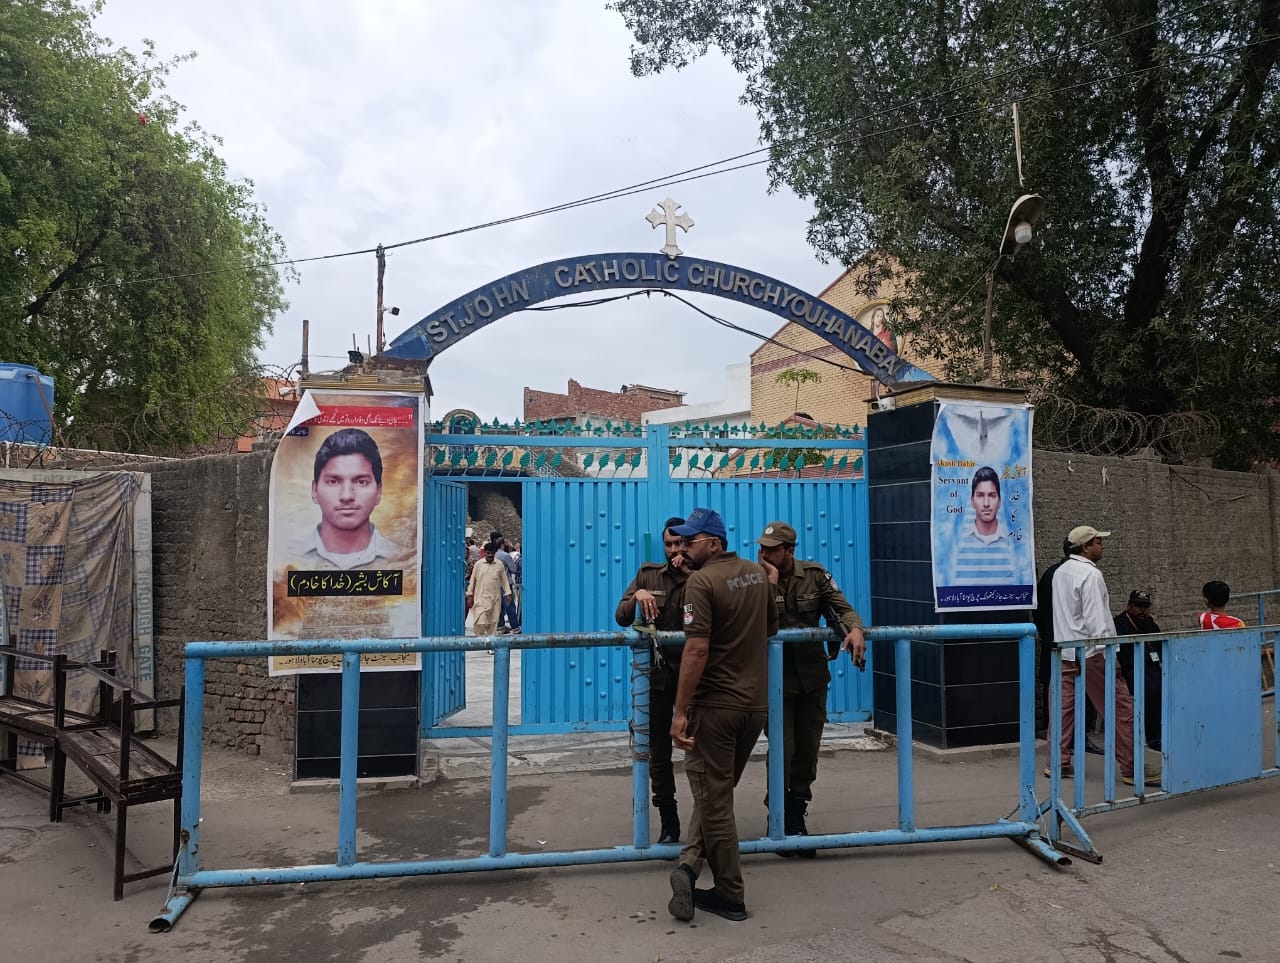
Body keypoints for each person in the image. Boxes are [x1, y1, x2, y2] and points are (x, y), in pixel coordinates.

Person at [666, 507, 777, 924]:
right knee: (717, 793)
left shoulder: (702, 581)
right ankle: (690, 867)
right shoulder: (756, 575)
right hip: (753, 706)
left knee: (715, 803)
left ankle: (730, 893)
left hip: (716, 707)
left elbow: (696, 649)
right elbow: (770, 629)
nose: (683, 548)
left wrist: (679, 713)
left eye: (690, 541)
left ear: (714, 542)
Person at [754, 520, 865, 856]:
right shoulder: (751, 578)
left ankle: (795, 815)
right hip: (774, 682)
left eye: (772, 550)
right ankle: (777, 819)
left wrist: (855, 629)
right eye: (762, 548)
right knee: (783, 750)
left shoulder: (815, 575)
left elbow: (841, 607)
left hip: (812, 677)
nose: (764, 554)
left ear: (789, 551)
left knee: (807, 751)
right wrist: (770, 585)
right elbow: (755, 619)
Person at [1048, 526, 1159, 786]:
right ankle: (1132, 767)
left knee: (1063, 708)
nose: (1102, 545)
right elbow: (1097, 621)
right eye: (1098, 541)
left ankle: (1058, 763)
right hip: (1093, 651)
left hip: (1067, 649)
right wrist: (1112, 656)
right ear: (1086, 547)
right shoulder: (1090, 574)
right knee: (1121, 708)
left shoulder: (1061, 572)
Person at [614, 516, 689, 844]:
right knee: (659, 752)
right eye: (669, 544)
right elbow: (620, 616)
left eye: (680, 543)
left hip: (695, 675)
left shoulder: (703, 575)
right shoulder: (648, 574)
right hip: (659, 676)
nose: (674, 550)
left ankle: (707, 823)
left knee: (700, 747)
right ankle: (668, 821)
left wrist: (692, 575)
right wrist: (638, 595)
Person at [299, 428, 408, 570]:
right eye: (333, 481)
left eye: (361, 482)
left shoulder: (401, 560)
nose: (347, 496)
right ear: (314, 490)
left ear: (379, 492)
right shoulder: (291, 557)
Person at [947, 467, 1016, 586]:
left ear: (999, 501)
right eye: (980, 495)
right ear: (972, 501)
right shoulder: (957, 543)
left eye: (992, 495)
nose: (986, 503)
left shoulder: (1013, 542)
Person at [1113, 590, 1163, 751]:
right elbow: (1123, 655)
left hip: (1151, 668)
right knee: (1152, 687)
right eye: (1138, 606)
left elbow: (1160, 646)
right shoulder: (1119, 624)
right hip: (1129, 670)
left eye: (1145, 606)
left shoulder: (1149, 623)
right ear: (1129, 606)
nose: (1142, 610)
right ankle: (1154, 736)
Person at [1033, 539, 1072, 736]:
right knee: (1057, 689)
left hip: (1055, 640)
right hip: (1059, 642)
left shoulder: (1055, 573)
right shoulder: (1060, 575)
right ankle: (1059, 736)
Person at [466, 541, 512, 636]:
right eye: (488, 553)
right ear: (485, 553)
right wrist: (469, 595)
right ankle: (479, 641)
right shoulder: (478, 565)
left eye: (492, 553)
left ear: (495, 553)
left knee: (493, 623)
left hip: (495, 599)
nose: (490, 555)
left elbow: (504, 580)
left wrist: (508, 593)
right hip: (481, 599)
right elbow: (472, 581)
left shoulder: (499, 565)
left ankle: (490, 646)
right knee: (481, 621)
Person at [496, 540, 521, 633]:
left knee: (499, 606)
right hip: (505, 583)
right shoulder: (505, 555)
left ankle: (501, 626)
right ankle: (515, 627)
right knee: (509, 606)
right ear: (502, 545)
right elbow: (513, 569)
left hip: (495, 584)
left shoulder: (494, 555)